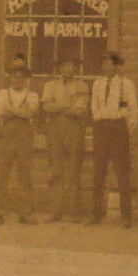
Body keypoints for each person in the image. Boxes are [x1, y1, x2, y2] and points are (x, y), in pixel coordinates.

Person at [89, 50, 138, 227]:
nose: (106, 67)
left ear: (117, 66)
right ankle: (96, 214)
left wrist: (126, 130)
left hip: (118, 129)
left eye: (110, 64)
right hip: (102, 128)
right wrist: (98, 118)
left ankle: (126, 216)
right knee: (98, 172)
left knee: (122, 173)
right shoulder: (97, 84)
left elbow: (133, 111)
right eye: (104, 64)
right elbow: (93, 106)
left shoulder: (126, 85)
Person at [39, 55, 89, 222]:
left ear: (75, 68)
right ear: (59, 68)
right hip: (55, 131)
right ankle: (56, 210)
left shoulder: (82, 86)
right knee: (56, 171)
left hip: (74, 131)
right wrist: (68, 104)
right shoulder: (50, 86)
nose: (68, 69)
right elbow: (46, 107)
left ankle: (74, 212)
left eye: (71, 65)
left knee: (74, 171)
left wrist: (57, 107)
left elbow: (80, 111)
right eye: (64, 65)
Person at [0, 59, 40, 225]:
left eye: (21, 77)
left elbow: (30, 113)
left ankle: (25, 213)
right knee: (2, 176)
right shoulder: (2, 94)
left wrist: (12, 111)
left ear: (26, 79)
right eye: (14, 76)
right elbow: (0, 114)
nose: (17, 80)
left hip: (24, 139)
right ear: (9, 78)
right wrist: (20, 112)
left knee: (24, 176)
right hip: (7, 138)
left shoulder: (32, 95)